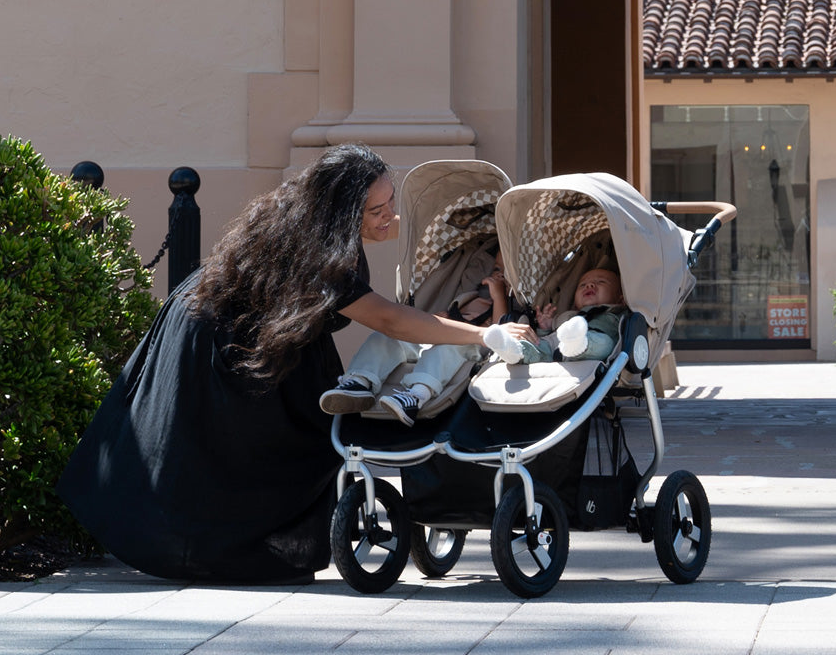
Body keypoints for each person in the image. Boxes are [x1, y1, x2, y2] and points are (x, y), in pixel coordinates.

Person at [57, 143, 535, 585]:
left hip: (256, 335)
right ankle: (214, 552)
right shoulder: (324, 252)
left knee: (311, 431)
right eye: (377, 209)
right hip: (218, 336)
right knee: (229, 449)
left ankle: (244, 545)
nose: (390, 215)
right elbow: (391, 320)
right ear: (345, 212)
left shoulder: (312, 224)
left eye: (390, 201)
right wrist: (484, 334)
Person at [320, 241, 509, 426]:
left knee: (447, 347)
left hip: (472, 346)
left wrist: (499, 296)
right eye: (496, 269)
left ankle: (416, 395)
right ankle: (360, 381)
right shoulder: (472, 297)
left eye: (504, 271)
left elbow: (501, 329)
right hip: (446, 336)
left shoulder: (506, 303)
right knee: (387, 336)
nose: (498, 275)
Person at [484, 267, 625, 365]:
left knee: (606, 344)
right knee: (539, 345)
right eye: (582, 285)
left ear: (620, 299)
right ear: (575, 303)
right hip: (556, 347)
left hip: (594, 344)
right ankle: (513, 350)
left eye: (601, 282)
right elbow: (547, 337)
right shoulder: (567, 316)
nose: (589, 285)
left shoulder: (616, 313)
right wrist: (544, 327)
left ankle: (579, 343)